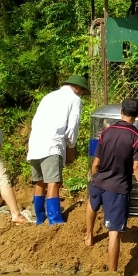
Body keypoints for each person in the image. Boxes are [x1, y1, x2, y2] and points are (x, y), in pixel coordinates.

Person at [87, 98, 138, 272]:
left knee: (92, 204)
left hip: (99, 180)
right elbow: (136, 167)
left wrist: (95, 178)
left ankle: (89, 236)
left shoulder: (106, 131)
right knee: (114, 231)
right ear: (137, 115)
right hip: (118, 188)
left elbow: (96, 162)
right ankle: (113, 272)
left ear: (121, 111)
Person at [26, 73, 88, 227]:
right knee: (53, 182)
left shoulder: (48, 97)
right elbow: (72, 127)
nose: (82, 94)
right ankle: (55, 221)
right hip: (52, 144)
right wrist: (71, 148)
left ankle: (40, 219)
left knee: (39, 182)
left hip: (35, 142)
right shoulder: (75, 99)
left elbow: (35, 120)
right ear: (78, 88)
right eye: (82, 91)